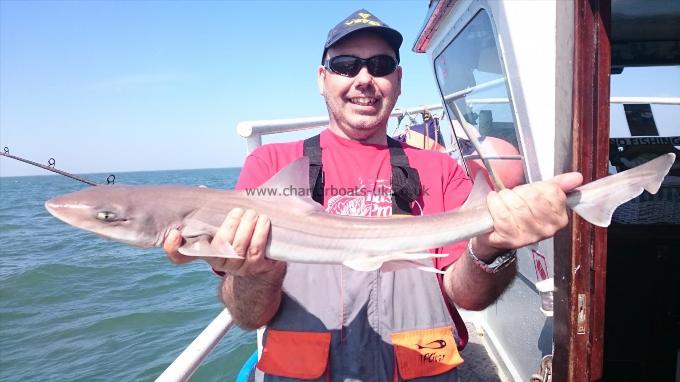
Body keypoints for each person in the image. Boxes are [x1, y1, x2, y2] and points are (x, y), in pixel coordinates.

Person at [164, 9, 582, 381]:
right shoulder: (271, 167)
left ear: (398, 80)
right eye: (346, 65)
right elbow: (249, 315)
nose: (364, 79)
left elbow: (467, 296)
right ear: (321, 78)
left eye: (380, 65)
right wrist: (255, 272)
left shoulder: (440, 170)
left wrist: (492, 248)